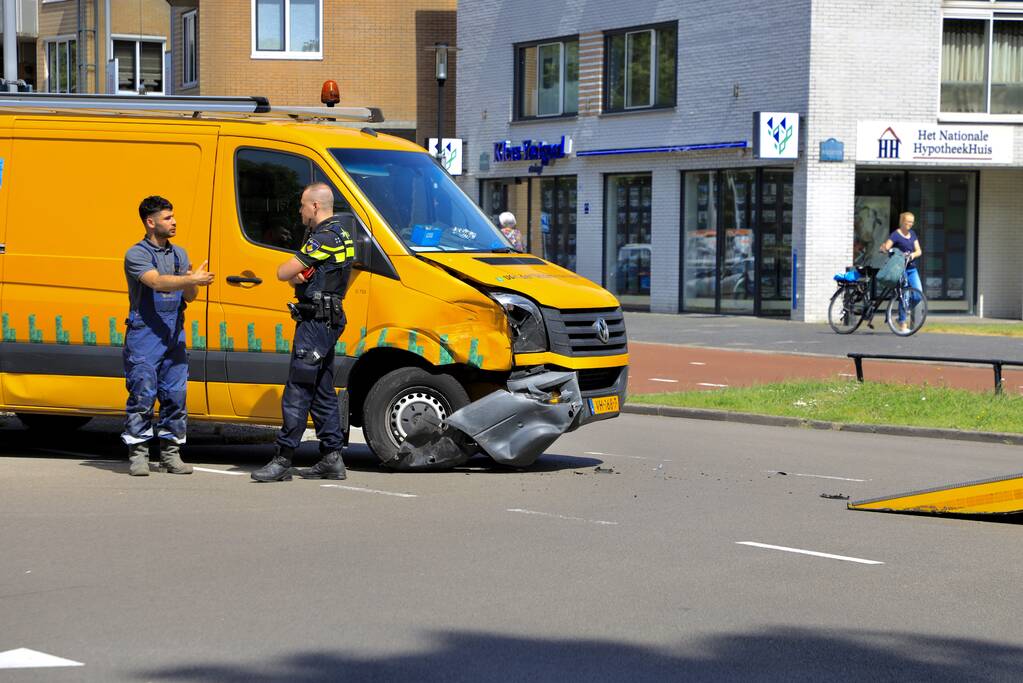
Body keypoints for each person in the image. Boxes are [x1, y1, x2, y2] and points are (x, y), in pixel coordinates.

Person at [251, 183, 356, 482]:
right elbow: (313, 273)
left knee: (298, 389)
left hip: (315, 322)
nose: (300, 211)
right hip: (327, 319)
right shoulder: (343, 235)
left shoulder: (324, 237)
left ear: (315, 207)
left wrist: (293, 275)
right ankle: (332, 457)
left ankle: (283, 459)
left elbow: (283, 271)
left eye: (302, 206)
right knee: (322, 389)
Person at [123, 196, 215, 476]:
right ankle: (138, 455)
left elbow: (190, 295)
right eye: (167, 218)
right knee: (142, 394)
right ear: (151, 223)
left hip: (174, 335)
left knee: (176, 396)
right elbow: (156, 282)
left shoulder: (179, 255)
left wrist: (192, 283)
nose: (174, 222)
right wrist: (190, 279)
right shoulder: (136, 254)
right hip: (145, 335)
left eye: (173, 216)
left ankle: (170, 454)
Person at [880, 211, 923, 332]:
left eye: (912, 222)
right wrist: (884, 248)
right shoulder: (896, 235)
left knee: (918, 294)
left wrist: (913, 255)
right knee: (905, 294)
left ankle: (904, 311)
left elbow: (919, 250)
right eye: (908, 222)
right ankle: (903, 323)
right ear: (902, 222)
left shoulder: (912, 234)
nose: (910, 224)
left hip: (911, 268)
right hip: (900, 268)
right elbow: (887, 247)